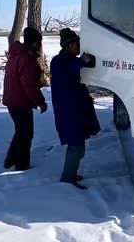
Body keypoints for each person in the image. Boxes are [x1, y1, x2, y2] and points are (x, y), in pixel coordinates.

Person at [50, 28, 100, 190]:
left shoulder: (70, 59)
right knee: (75, 146)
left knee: (79, 145)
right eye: (75, 43)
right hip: (68, 111)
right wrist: (81, 61)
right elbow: (66, 75)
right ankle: (67, 178)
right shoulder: (58, 61)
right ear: (67, 46)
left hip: (75, 109)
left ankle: (71, 173)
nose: (78, 45)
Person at [2, 27, 47, 171]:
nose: (40, 45)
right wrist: (41, 102)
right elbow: (29, 86)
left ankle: (10, 160)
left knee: (21, 131)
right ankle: (21, 166)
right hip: (21, 102)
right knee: (26, 134)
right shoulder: (26, 59)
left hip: (13, 101)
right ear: (34, 43)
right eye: (39, 42)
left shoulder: (16, 55)